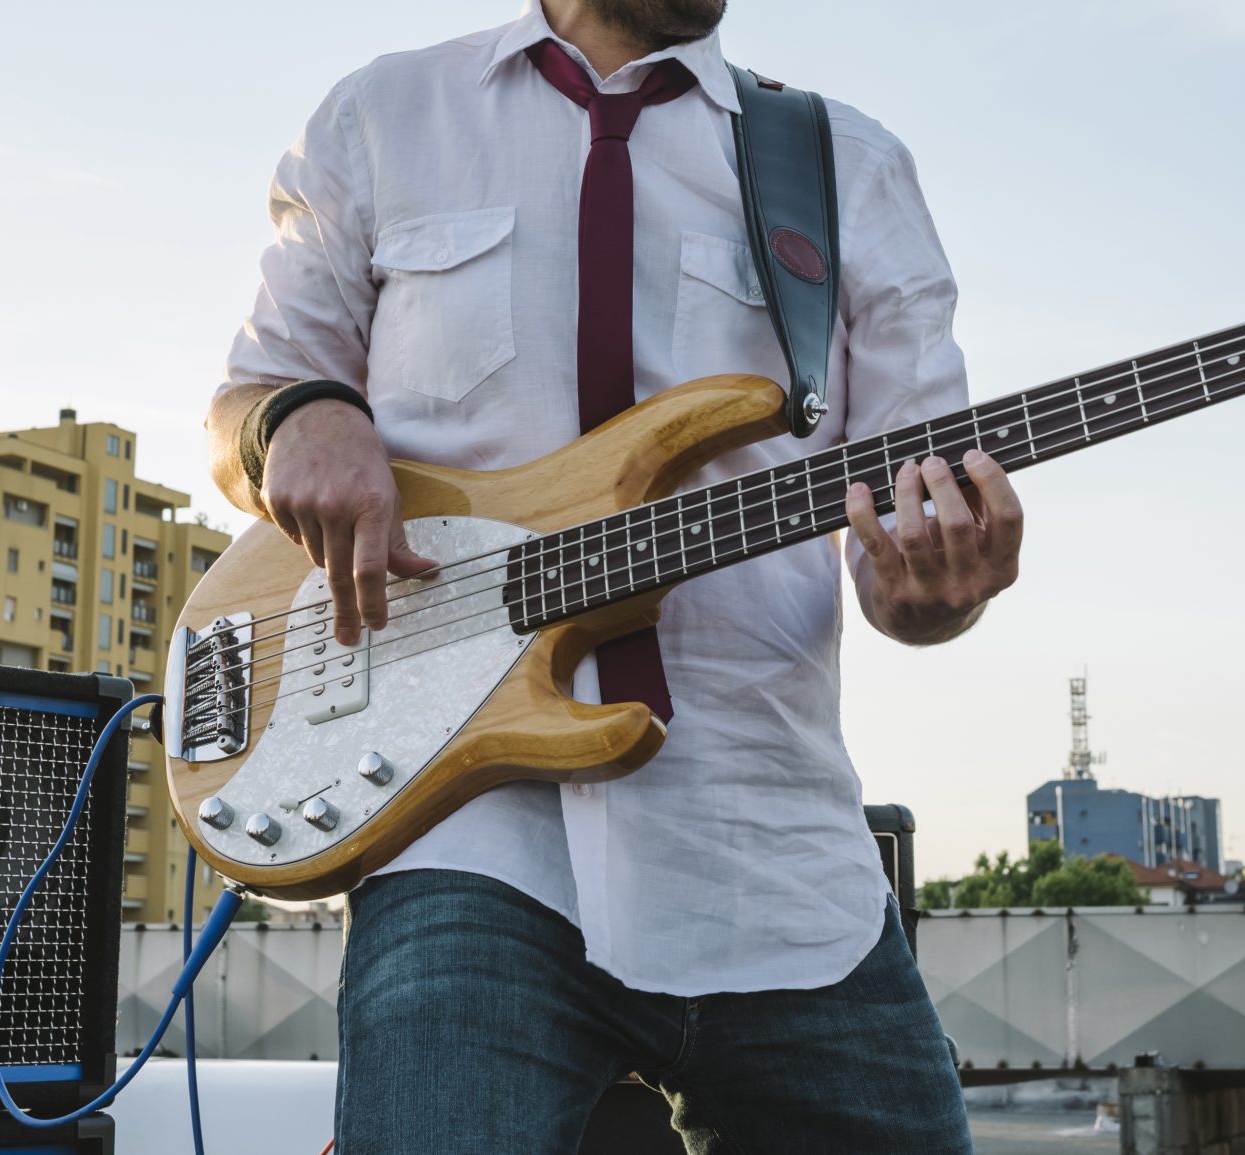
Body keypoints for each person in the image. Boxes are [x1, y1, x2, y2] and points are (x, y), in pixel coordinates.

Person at [205, 1, 1020, 1150]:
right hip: (467, 831)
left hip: (765, 836)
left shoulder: (846, 165)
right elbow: (249, 401)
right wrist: (300, 419)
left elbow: (905, 539)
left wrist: (938, 590)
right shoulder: (384, 114)